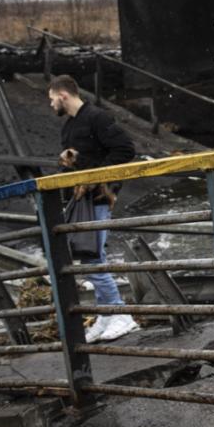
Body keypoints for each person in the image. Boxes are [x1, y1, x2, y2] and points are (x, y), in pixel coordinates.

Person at [47, 74, 138, 343]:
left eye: (52, 99)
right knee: (87, 256)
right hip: (80, 199)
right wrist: (70, 162)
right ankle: (106, 315)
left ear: (63, 95)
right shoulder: (69, 127)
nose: (51, 105)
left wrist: (93, 176)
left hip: (99, 196)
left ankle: (121, 315)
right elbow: (85, 159)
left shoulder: (97, 117)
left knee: (93, 256)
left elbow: (125, 150)